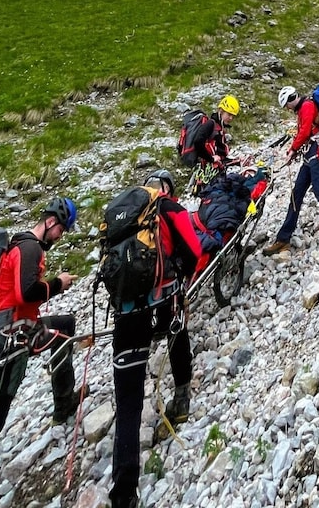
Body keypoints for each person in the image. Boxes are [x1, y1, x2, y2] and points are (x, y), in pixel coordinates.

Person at [0, 197, 81, 508]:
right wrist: (58, 284)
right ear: (51, 222)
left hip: (19, 330)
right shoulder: (30, 247)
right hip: (5, 342)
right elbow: (26, 292)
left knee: (64, 327)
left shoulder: (19, 246)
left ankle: (64, 403)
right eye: (62, 228)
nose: (61, 235)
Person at [110, 169, 202, 508]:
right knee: (178, 338)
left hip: (126, 312)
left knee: (129, 401)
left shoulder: (121, 212)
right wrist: (182, 279)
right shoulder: (169, 208)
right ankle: (181, 398)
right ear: (166, 189)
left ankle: (123, 490)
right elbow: (193, 250)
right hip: (164, 298)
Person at [264, 85, 319, 256]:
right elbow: (305, 132)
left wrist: (292, 150)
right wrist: (295, 151)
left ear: (290, 100)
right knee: (296, 194)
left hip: (316, 153)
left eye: (287, 106)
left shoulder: (307, 106)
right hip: (310, 153)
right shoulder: (305, 108)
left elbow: (305, 132)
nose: (288, 109)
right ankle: (283, 238)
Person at [194, 94, 240, 169]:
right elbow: (198, 142)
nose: (231, 118)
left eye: (233, 116)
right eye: (229, 114)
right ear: (221, 111)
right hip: (209, 167)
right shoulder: (210, 124)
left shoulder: (219, 127)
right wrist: (211, 159)